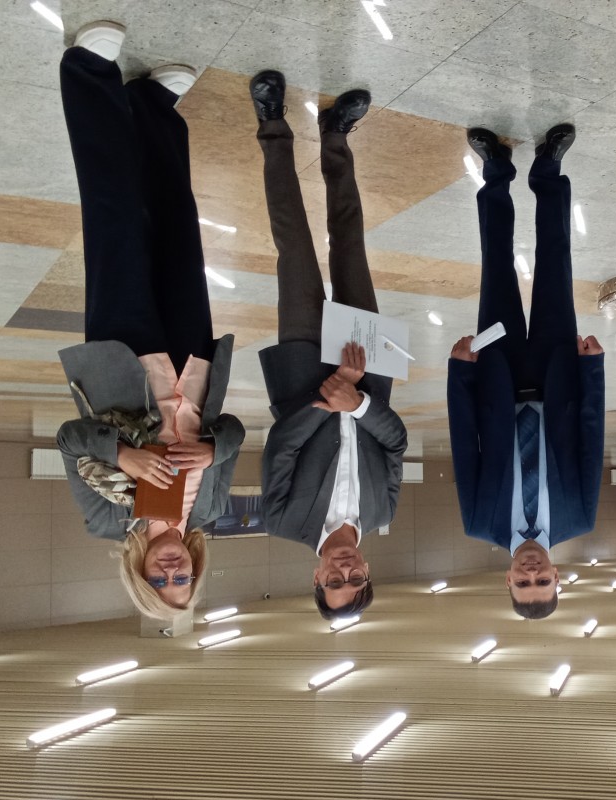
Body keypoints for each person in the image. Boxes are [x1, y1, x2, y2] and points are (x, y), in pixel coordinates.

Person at [55, 22, 245, 621]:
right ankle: (153, 106)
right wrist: (212, 451)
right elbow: (234, 433)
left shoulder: (107, 521)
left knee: (114, 220)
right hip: (191, 367)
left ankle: (88, 74)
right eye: (182, 580)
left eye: (158, 581)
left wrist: (123, 456)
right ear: (195, 569)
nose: (171, 571)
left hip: (124, 362)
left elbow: (69, 440)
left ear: (138, 575)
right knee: (178, 231)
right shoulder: (209, 511)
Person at [250, 71, 406, 620]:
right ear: (367, 571)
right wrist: (358, 402)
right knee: (350, 246)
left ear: (316, 578)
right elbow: (395, 443)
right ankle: (335, 134)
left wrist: (331, 396)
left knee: (293, 245)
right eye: (355, 579)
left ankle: (272, 126)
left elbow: (281, 448)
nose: (345, 570)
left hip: (302, 370)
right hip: (368, 366)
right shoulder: (383, 511)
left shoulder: (282, 521)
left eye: (335, 581)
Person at [448, 124, 605, 620]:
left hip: (497, 376)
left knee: (495, 267)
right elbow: (590, 439)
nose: (531, 572)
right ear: (558, 577)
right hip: (559, 376)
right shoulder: (579, 518)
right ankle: (548, 169)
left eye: (523, 582)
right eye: (542, 581)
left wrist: (460, 374)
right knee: (556, 266)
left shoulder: (480, 522)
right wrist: (593, 369)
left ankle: (496, 169)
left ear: (508, 579)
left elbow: (463, 444)